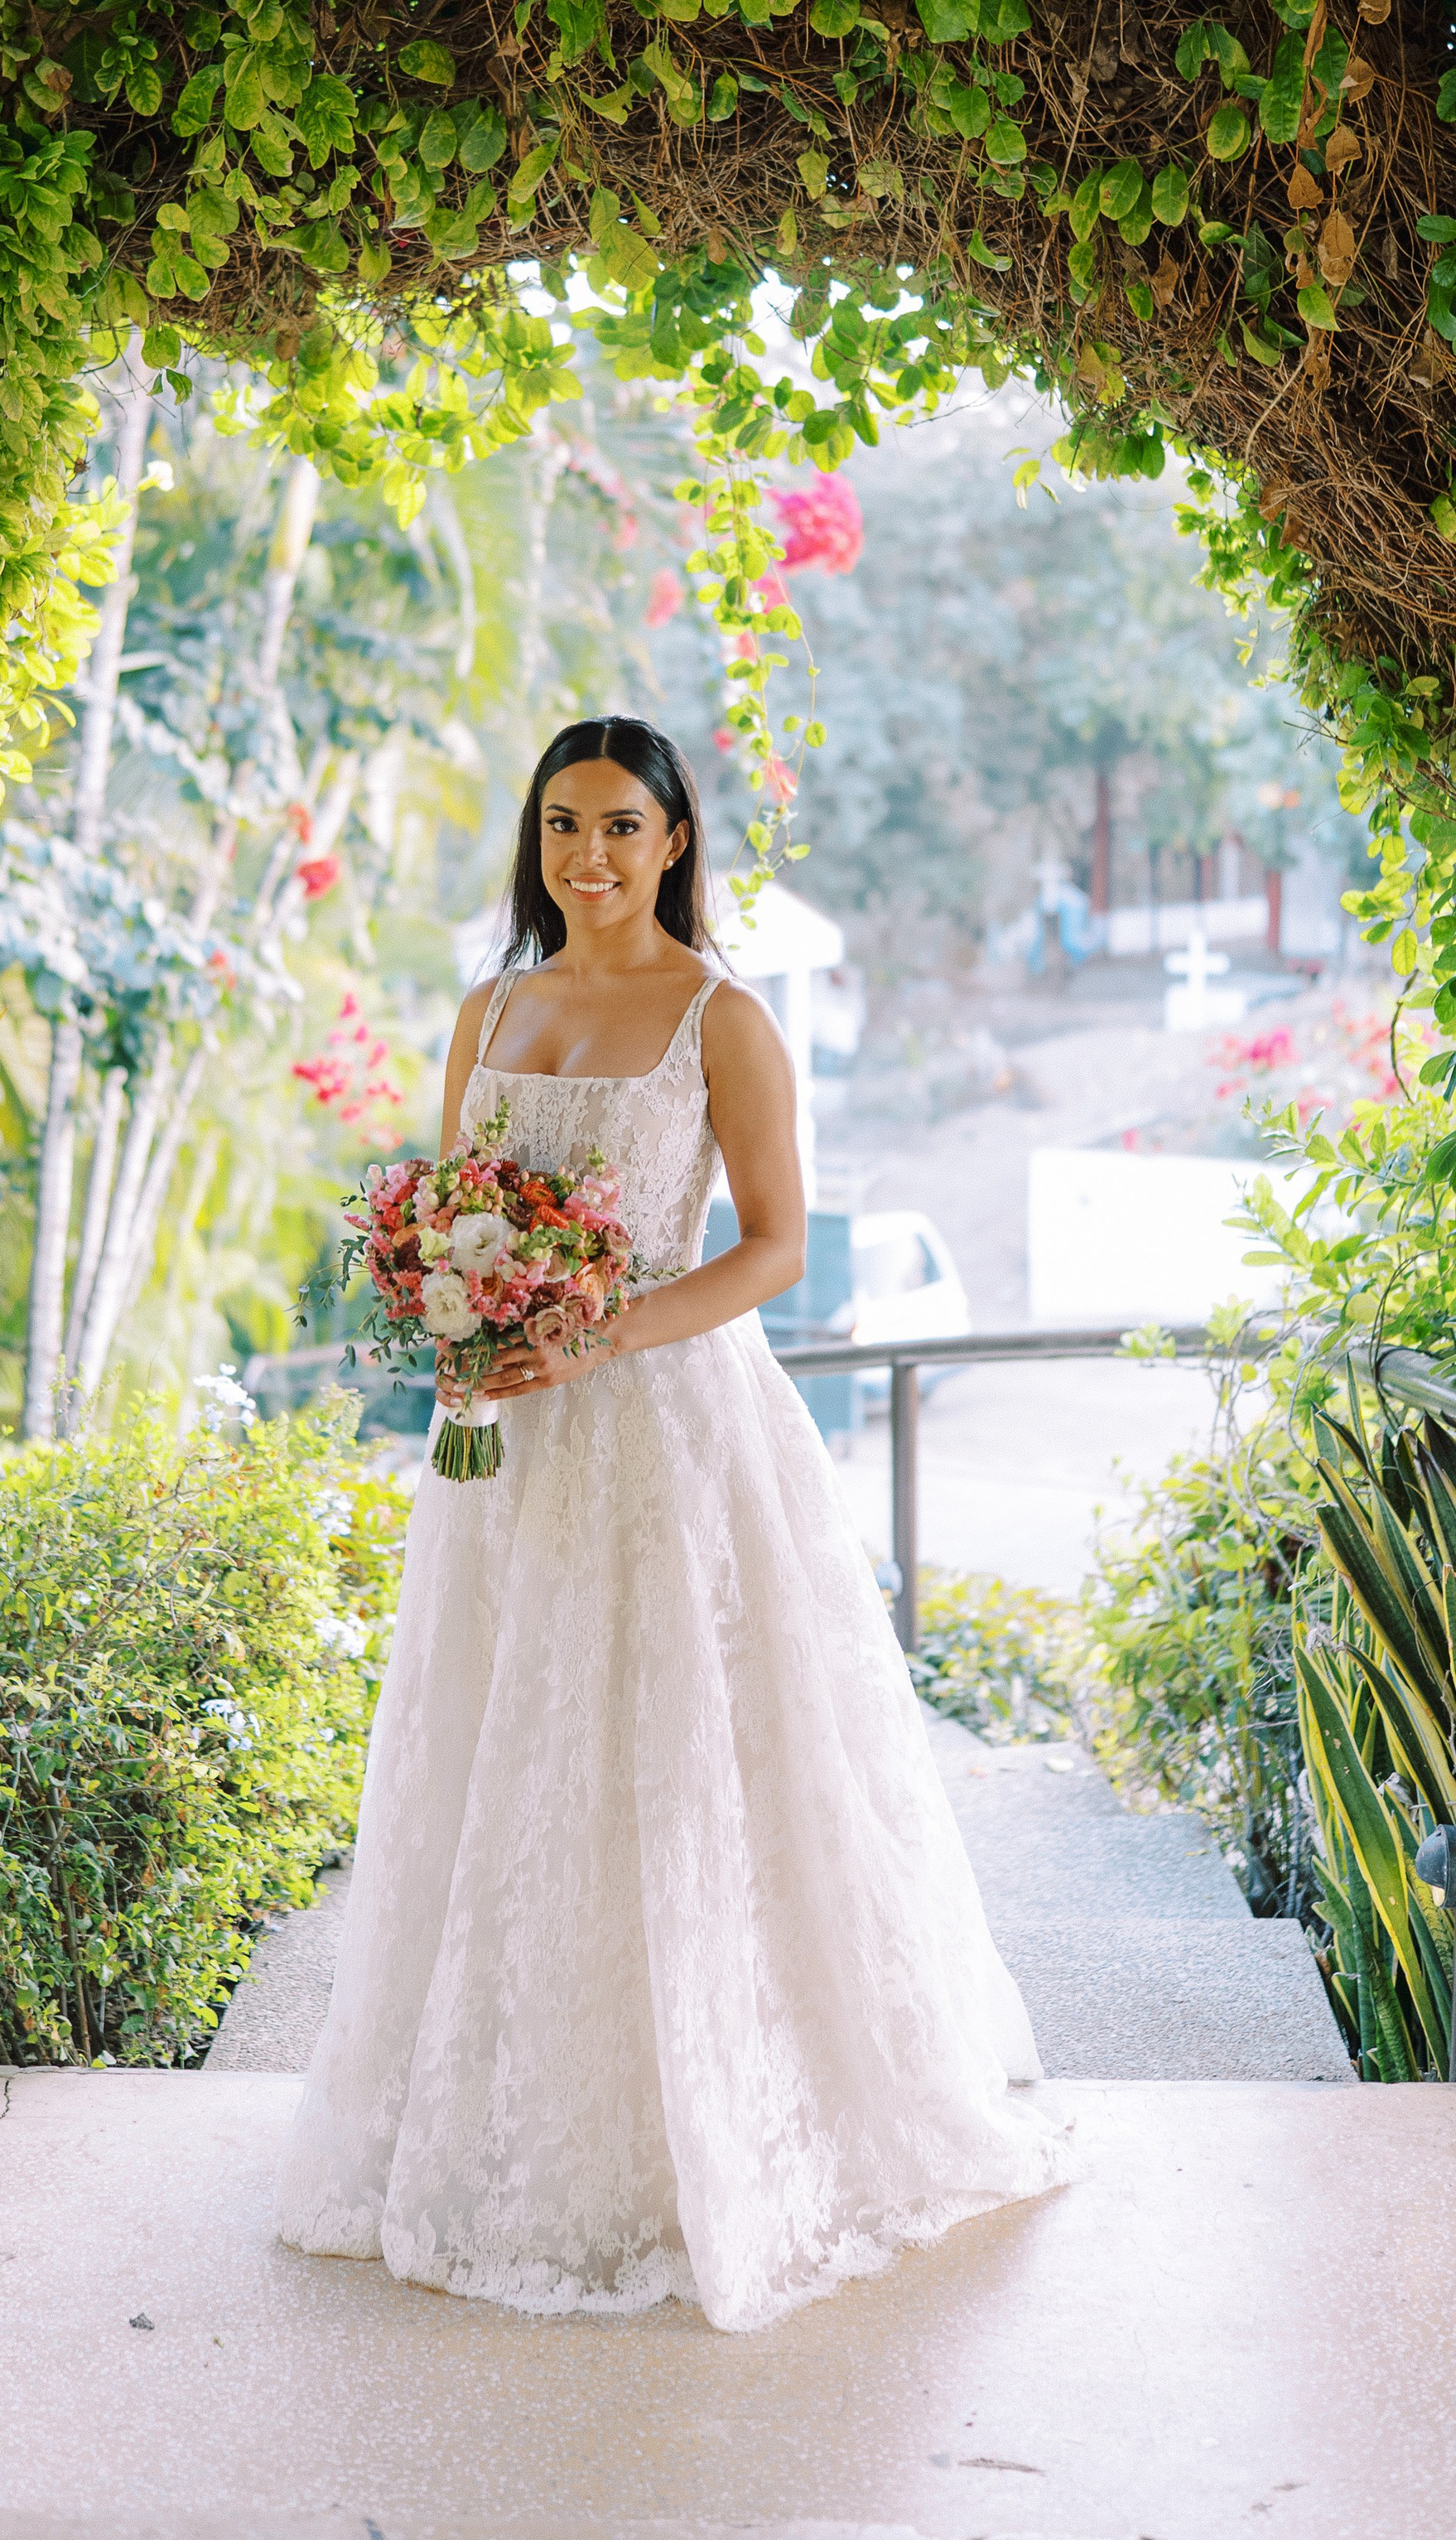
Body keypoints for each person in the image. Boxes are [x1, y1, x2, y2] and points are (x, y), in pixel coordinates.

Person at [276, 715, 1069, 2330]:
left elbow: (774, 1247)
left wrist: (601, 1330)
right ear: (538, 840)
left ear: (673, 839)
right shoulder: (488, 1007)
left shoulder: (725, 1021)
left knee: (672, 1759)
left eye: (621, 825)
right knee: (504, 1752)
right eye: (562, 824)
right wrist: (464, 1323)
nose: (589, 854)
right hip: (504, 1436)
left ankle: (692, 2134)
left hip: (665, 1435)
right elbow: (450, 1207)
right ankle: (491, 2121)